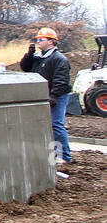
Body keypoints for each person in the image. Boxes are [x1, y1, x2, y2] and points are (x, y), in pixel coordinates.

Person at [20, 27, 73, 165]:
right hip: (43, 95)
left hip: (57, 96)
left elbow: (61, 80)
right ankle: (50, 152)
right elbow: (25, 67)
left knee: (56, 125)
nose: (38, 42)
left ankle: (64, 156)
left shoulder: (59, 59)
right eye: (37, 39)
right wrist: (29, 55)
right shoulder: (38, 57)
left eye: (41, 39)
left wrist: (54, 96)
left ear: (51, 42)